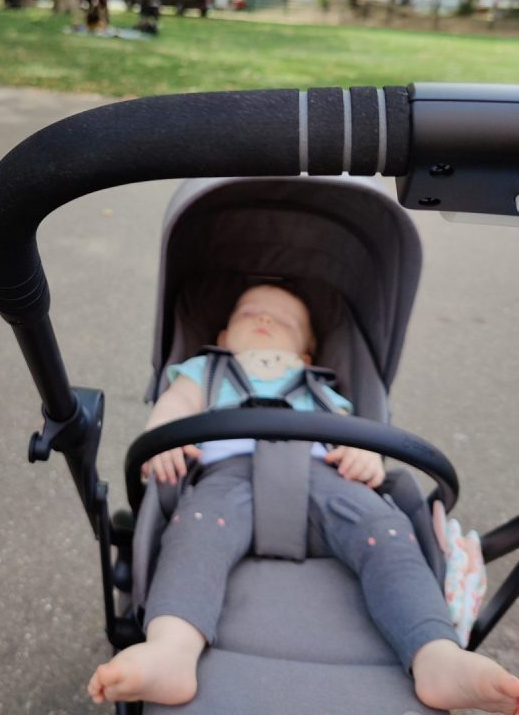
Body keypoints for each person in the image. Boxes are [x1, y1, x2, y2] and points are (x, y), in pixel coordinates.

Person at [89, 284, 519, 713]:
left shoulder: (321, 389)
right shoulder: (206, 370)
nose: (264, 319)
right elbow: (176, 403)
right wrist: (162, 435)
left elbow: (355, 434)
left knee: (385, 532)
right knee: (195, 534)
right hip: (227, 478)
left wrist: (364, 456)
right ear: (222, 336)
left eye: (284, 321)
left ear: (307, 354)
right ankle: (172, 650)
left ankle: (436, 655)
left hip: (327, 481)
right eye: (249, 312)